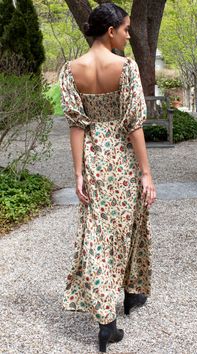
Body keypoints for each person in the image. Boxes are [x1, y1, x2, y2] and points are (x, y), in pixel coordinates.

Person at [59, 3, 156, 353]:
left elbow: (76, 124)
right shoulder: (125, 68)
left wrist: (79, 173)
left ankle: (117, 309)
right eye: (126, 29)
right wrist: (146, 173)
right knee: (129, 226)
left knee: (98, 235)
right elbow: (133, 125)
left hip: (95, 160)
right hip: (122, 161)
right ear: (111, 30)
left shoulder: (70, 70)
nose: (129, 35)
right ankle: (121, 306)